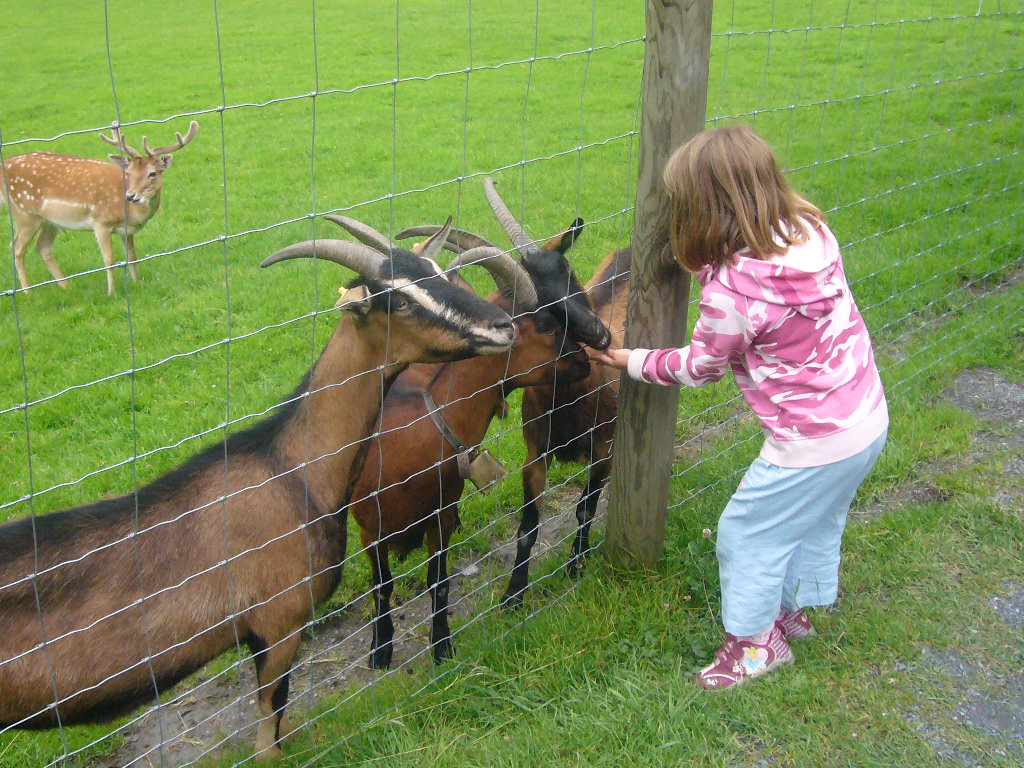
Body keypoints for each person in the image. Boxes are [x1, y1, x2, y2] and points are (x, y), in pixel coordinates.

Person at [591, 123, 888, 690]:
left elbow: (701, 365)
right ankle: (793, 612)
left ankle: (755, 647)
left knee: (746, 532)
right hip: (867, 418)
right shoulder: (809, 232)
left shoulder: (732, 295)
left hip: (810, 444)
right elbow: (763, 292)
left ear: (700, 212)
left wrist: (630, 359)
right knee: (812, 519)